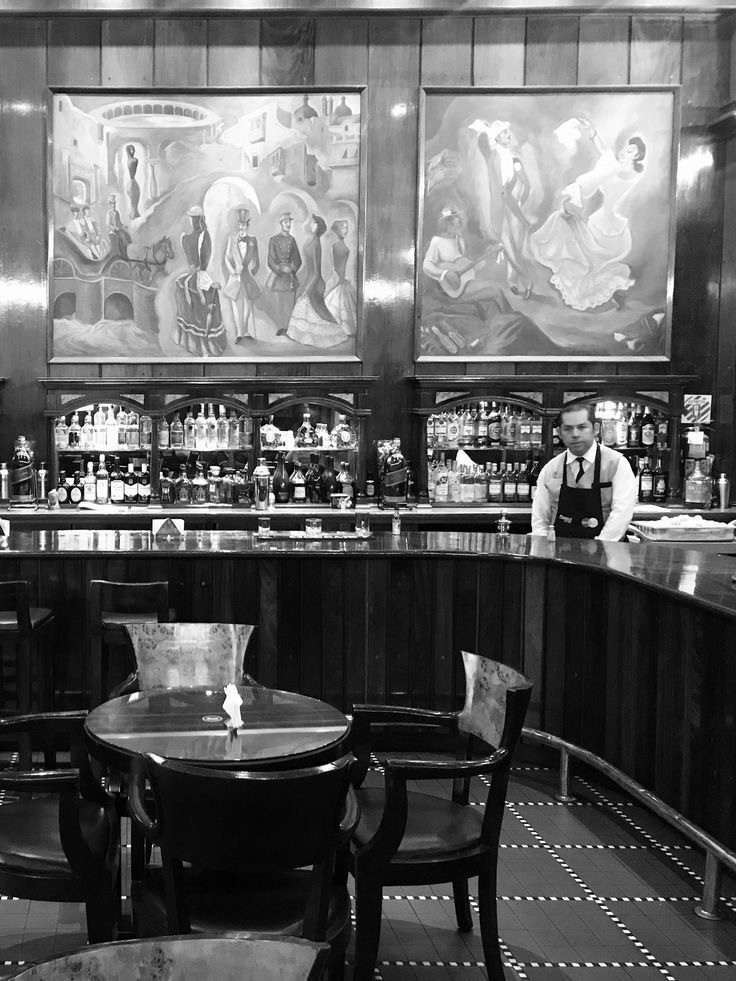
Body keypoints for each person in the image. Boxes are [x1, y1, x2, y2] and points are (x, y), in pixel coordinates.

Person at [530, 120, 646, 311]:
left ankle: (603, 293)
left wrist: (573, 194)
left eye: (632, 150)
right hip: (600, 220)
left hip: (610, 227)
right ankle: (605, 293)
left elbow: (594, 179)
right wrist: (592, 134)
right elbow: (605, 152)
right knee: (581, 251)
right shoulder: (617, 166)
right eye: (627, 147)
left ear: (638, 155)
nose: (626, 151)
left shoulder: (624, 171)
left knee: (591, 263)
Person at [531, 403, 637, 541]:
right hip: (559, 553)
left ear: (596, 429)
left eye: (582, 427)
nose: (575, 434)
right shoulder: (551, 469)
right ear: (559, 433)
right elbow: (540, 519)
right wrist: (542, 547)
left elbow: (621, 514)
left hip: (607, 553)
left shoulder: (617, 464)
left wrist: (601, 548)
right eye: (568, 429)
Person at [468, 118, 533, 299]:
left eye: (507, 132)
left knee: (515, 249)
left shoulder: (513, 159)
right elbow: (500, 189)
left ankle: (513, 279)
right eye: (504, 132)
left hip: (510, 205)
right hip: (501, 206)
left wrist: (519, 203)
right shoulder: (495, 156)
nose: (508, 135)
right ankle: (526, 281)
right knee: (510, 248)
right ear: (496, 137)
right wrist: (517, 211)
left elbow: (525, 184)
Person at [173, 205, 226, 357]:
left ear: (192, 220)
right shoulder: (204, 236)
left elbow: (192, 262)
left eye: (191, 218)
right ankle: (207, 341)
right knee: (212, 299)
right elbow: (204, 262)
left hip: (190, 276)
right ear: (201, 219)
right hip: (200, 275)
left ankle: (189, 340)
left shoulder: (184, 238)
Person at [287, 214, 346, 348]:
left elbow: (316, 269)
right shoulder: (312, 240)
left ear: (318, 226)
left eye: (313, 222)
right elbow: (306, 266)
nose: (311, 224)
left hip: (315, 281)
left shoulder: (315, 243)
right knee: (308, 308)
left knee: (316, 309)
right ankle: (305, 336)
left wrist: (309, 286)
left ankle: (329, 335)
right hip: (309, 279)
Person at [222, 206, 261, 343]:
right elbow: (227, 258)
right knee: (235, 304)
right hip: (235, 277)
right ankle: (239, 332)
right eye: (240, 224)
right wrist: (233, 272)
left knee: (248, 304)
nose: (242, 226)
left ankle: (244, 330)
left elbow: (256, 260)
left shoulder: (253, 241)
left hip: (248, 277)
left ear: (247, 225)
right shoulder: (232, 239)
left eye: (244, 224)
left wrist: (252, 271)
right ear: (238, 225)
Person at [264, 212, 302, 336]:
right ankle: (281, 327)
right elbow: (270, 261)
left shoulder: (292, 240)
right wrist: (280, 270)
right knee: (279, 304)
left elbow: (298, 260)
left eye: (289, 222)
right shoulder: (274, 240)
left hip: (290, 278)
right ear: (281, 224)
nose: (288, 224)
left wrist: (292, 269)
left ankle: (289, 328)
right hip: (278, 277)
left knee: (290, 304)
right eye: (285, 222)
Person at [324, 219, 357, 337]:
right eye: (343, 228)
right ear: (337, 230)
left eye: (346, 228)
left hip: (342, 279)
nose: (345, 230)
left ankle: (345, 330)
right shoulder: (336, 246)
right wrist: (337, 279)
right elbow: (335, 267)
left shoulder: (341, 245)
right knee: (337, 303)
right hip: (338, 278)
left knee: (345, 304)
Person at [106, 194, 131, 259]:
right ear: (110, 205)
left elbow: (119, 222)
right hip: (112, 231)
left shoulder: (117, 212)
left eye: (114, 204)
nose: (113, 205)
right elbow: (108, 224)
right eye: (112, 204)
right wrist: (114, 228)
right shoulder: (109, 213)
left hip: (118, 230)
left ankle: (127, 249)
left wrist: (123, 226)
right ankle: (123, 253)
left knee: (126, 234)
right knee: (121, 236)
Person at [126, 144, 141, 219]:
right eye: (132, 150)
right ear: (129, 151)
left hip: (131, 182)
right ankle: (133, 214)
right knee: (134, 199)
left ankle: (133, 214)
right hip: (132, 182)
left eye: (133, 150)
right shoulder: (134, 160)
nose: (133, 152)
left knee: (134, 199)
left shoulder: (130, 160)